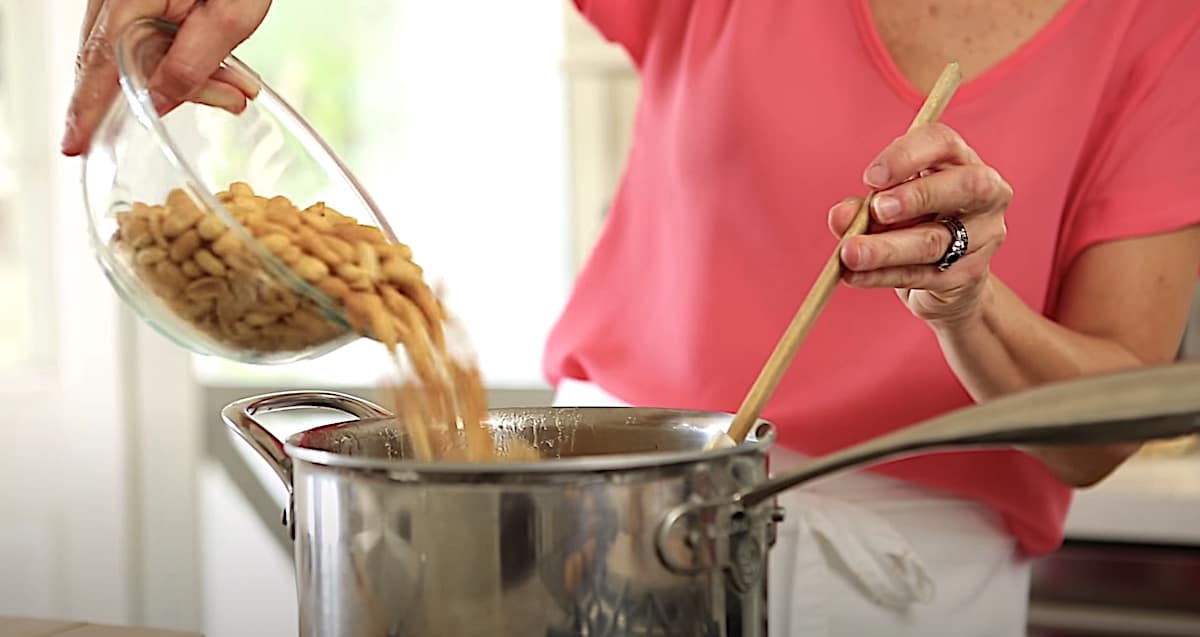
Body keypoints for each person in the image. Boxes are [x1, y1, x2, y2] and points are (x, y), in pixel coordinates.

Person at [64, 1, 1200, 635]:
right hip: (581, 512)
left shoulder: (1165, 29)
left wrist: (966, 300)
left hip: (903, 584)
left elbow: (1099, 432)